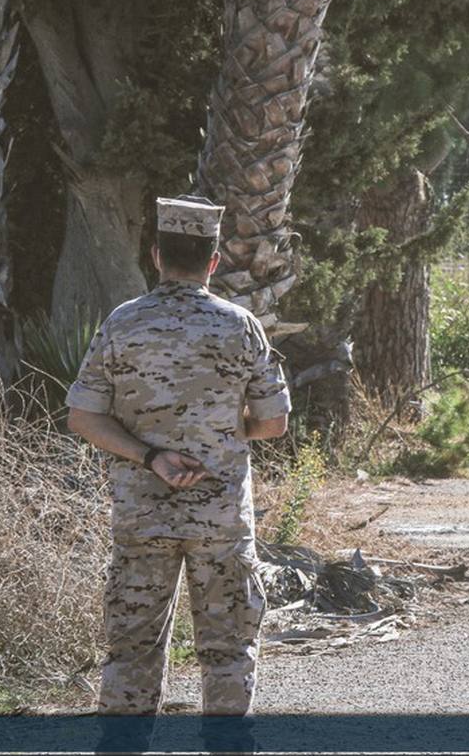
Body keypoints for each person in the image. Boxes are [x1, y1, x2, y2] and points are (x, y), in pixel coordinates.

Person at [66, 195, 291, 725]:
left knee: (132, 652)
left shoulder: (123, 324)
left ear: (155, 255)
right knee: (229, 655)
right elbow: (274, 423)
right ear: (213, 261)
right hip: (221, 521)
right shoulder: (240, 326)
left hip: (143, 516)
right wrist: (226, 434)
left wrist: (151, 456)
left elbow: (84, 417)